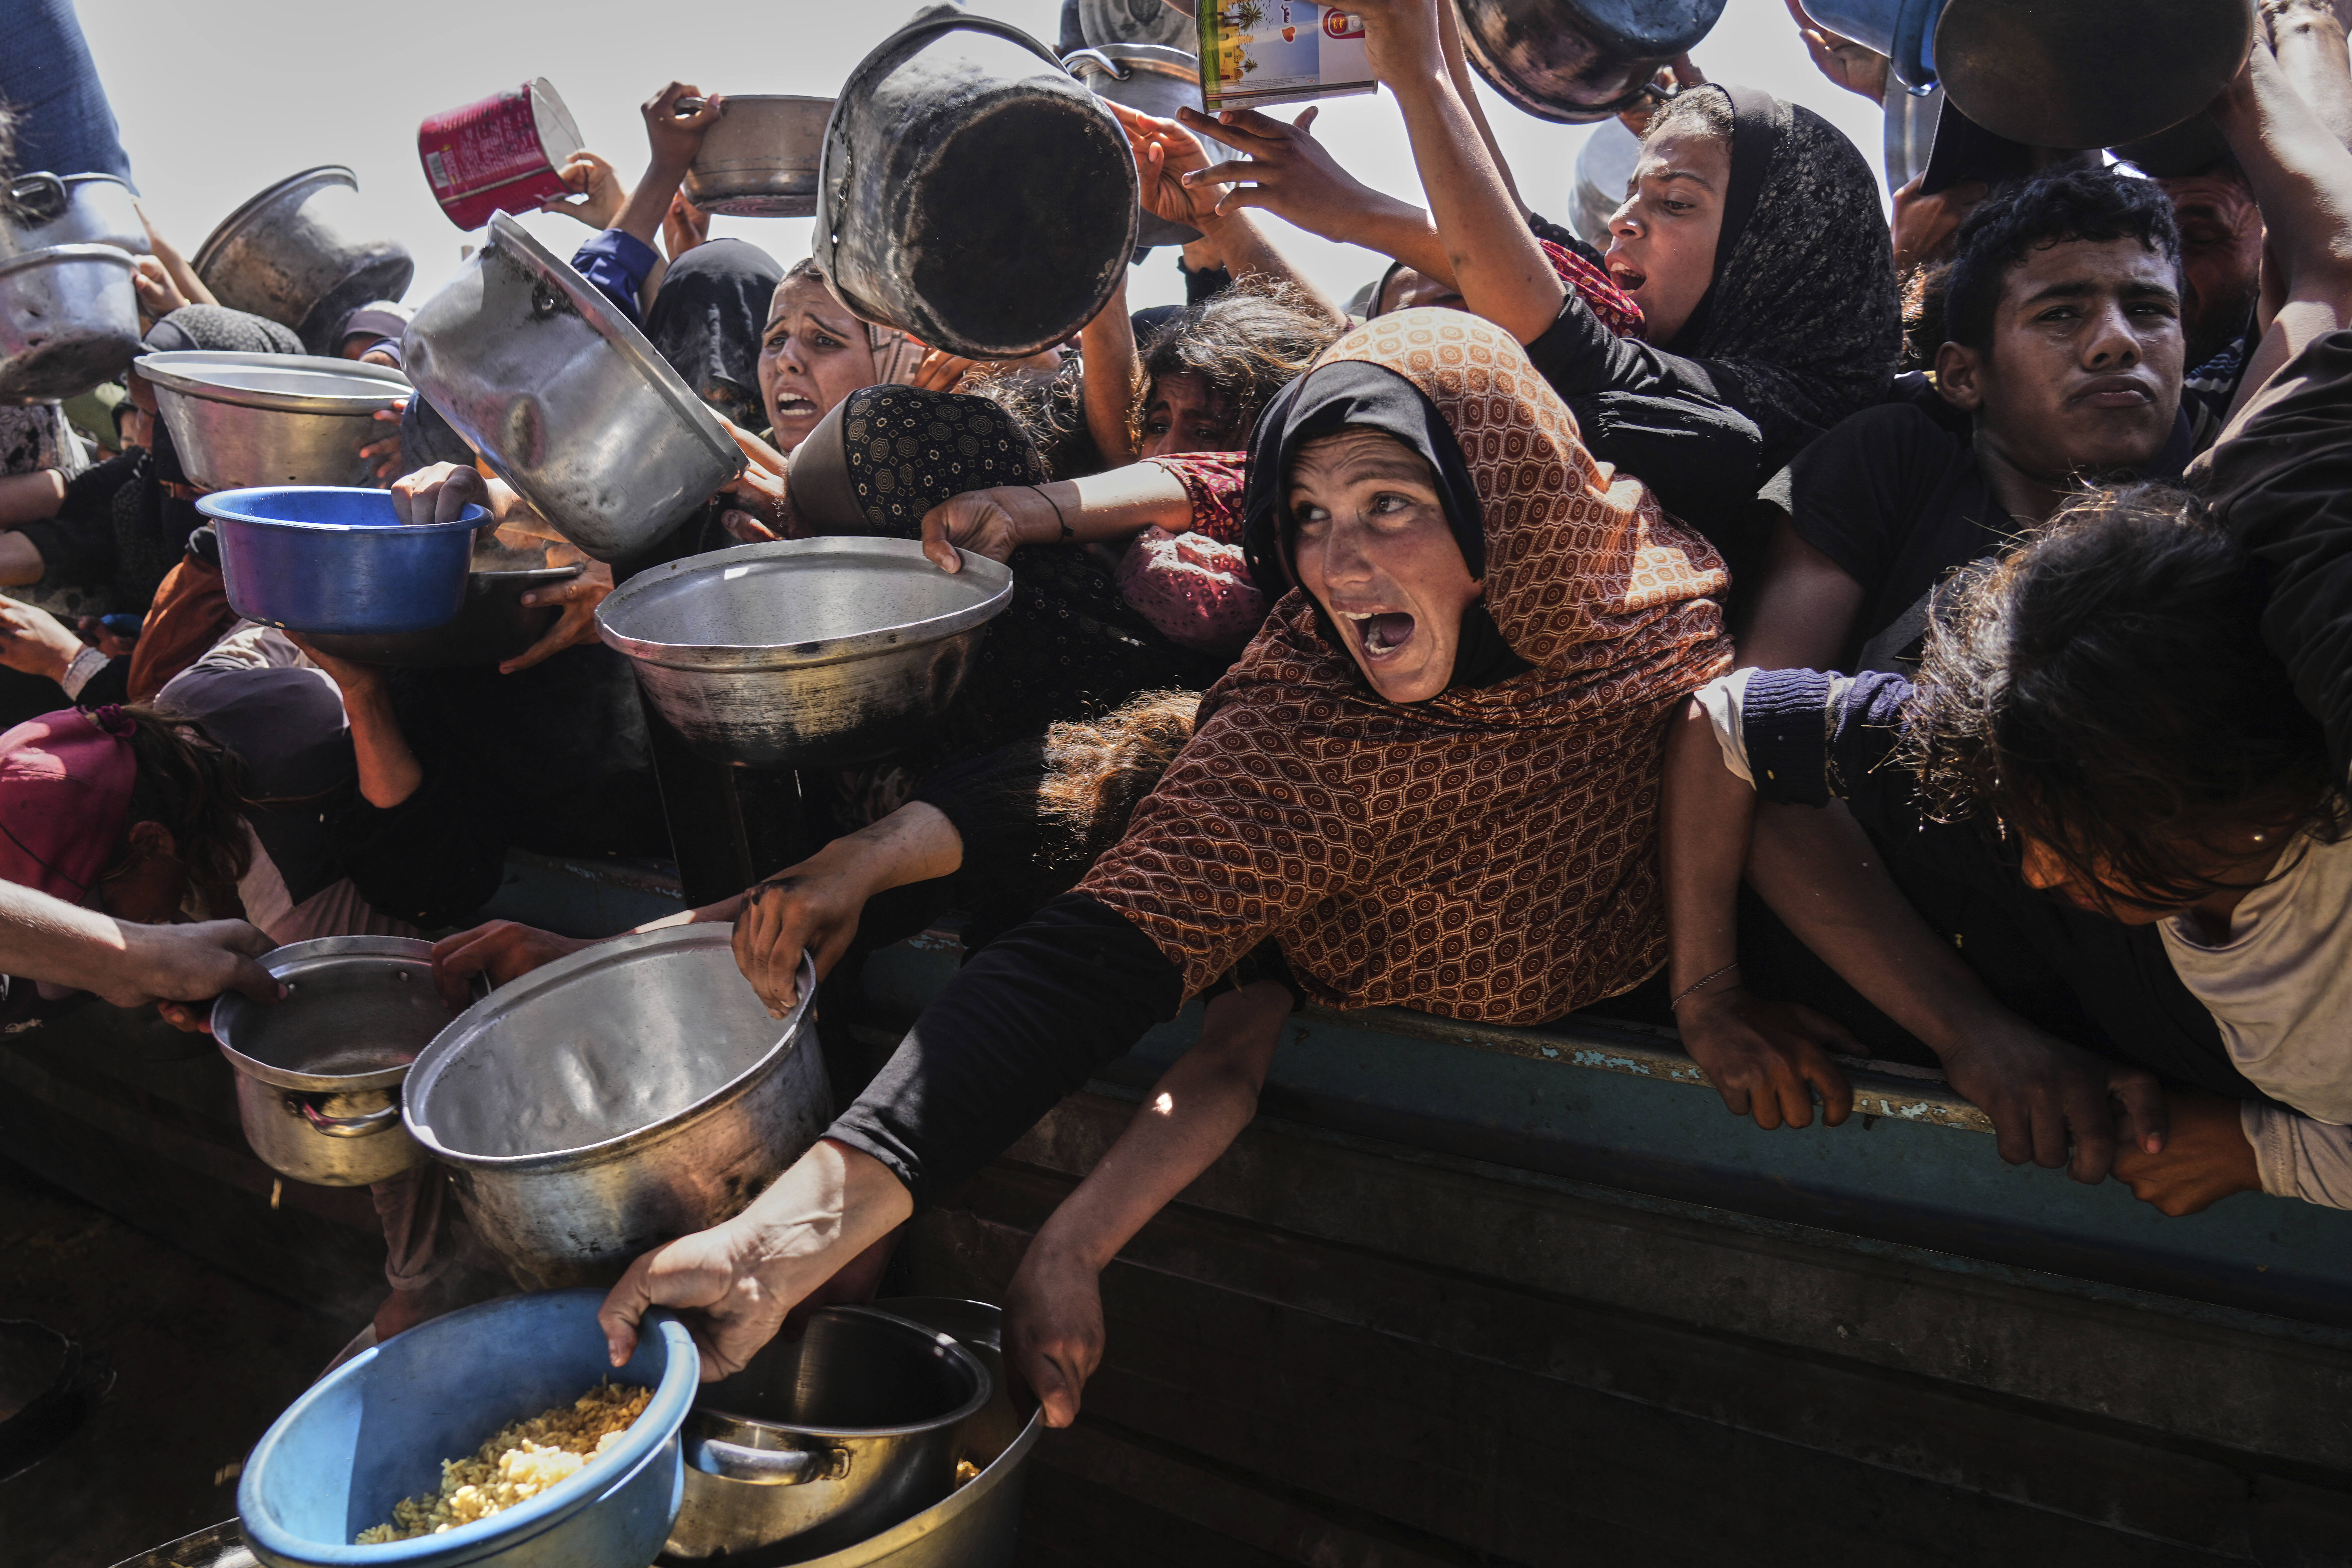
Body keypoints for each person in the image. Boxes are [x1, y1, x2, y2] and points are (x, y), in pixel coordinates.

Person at [593, 309, 1734, 1378]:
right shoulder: (1302, 727)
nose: (1336, 568)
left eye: (1390, 504)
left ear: (1505, 501)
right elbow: (1076, 968)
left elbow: (1740, 742)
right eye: (1306, 518)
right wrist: (768, 1250)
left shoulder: (1652, 597)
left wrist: (1711, 989)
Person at [1734, 168, 2190, 677]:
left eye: (2148, 309)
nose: (2117, 341)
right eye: (2059, 314)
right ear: (1963, 376)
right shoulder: (1892, 462)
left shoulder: (2214, 492)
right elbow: (1737, 732)